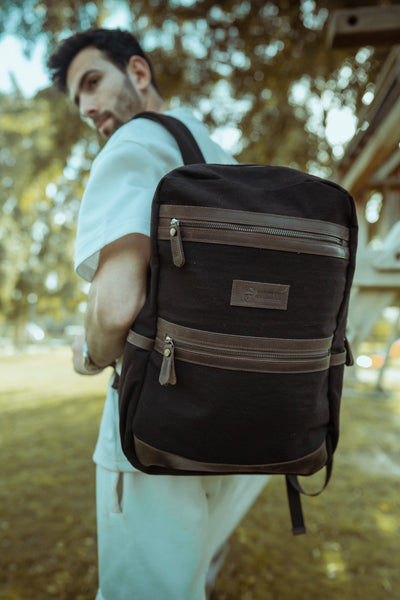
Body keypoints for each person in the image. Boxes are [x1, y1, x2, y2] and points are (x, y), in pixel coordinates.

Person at [48, 28, 268, 600]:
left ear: (139, 74)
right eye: (78, 100)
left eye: (93, 82)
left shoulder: (133, 143)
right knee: (188, 578)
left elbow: (117, 304)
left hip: (158, 428)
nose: (89, 107)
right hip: (251, 424)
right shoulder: (219, 155)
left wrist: (89, 355)